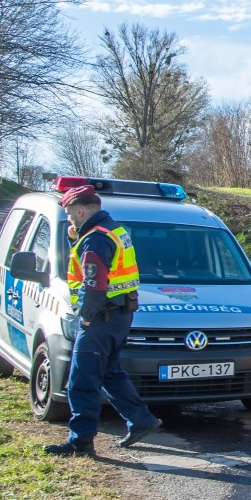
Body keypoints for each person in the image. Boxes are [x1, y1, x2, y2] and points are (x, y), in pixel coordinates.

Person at [44, 185, 161, 457]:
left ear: (81, 210)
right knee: (109, 372)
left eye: (71, 215)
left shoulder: (95, 239)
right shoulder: (113, 230)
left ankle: (80, 442)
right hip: (119, 315)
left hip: (100, 317)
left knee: (81, 379)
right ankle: (141, 420)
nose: (70, 220)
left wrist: (85, 318)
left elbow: (94, 284)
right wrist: (77, 239)